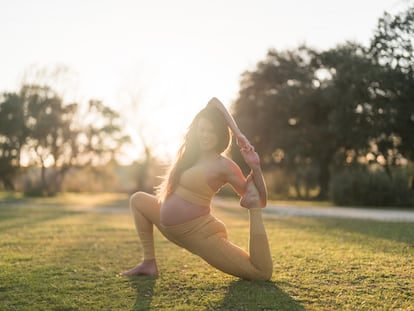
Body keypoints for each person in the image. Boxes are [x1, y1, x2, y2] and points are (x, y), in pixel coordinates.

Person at [121, 97, 273, 281]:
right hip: (171, 227)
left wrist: (254, 164)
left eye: (211, 131)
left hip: (201, 235)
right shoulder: (190, 155)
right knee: (138, 200)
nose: (205, 135)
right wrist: (237, 131)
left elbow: (259, 199)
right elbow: (214, 102)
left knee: (260, 273)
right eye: (201, 129)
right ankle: (149, 263)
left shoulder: (224, 165)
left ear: (219, 133)